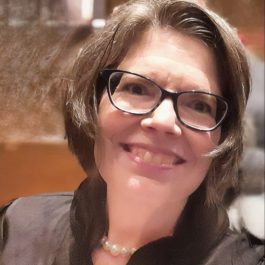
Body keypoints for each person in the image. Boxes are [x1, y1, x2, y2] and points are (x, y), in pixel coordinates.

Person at [0, 0, 264, 265]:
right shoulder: (15, 229)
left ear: (224, 136)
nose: (162, 121)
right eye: (137, 89)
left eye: (198, 105)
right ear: (93, 104)